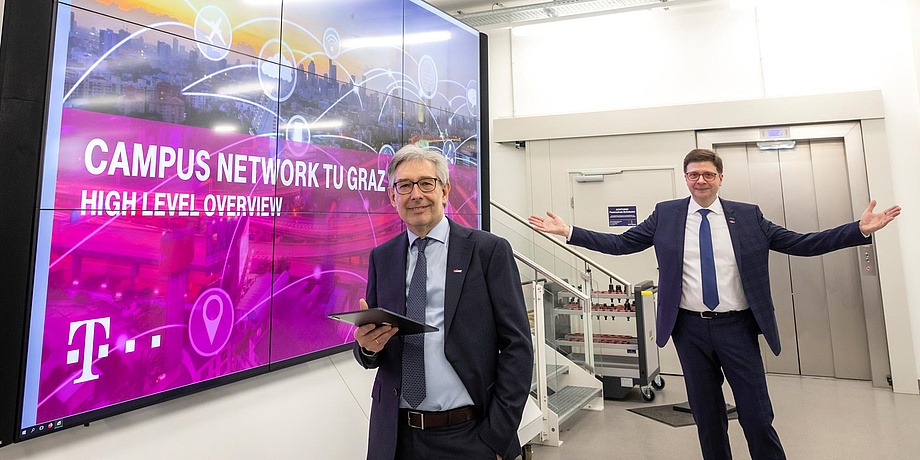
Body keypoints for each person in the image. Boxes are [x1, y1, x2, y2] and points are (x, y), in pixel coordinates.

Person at [528, 148, 900, 460]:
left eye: (707, 174)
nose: (700, 181)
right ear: (685, 179)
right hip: (688, 330)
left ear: (720, 178)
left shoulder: (748, 216)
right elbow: (622, 243)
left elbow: (800, 243)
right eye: (693, 175)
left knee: (756, 414)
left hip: (736, 327)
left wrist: (858, 230)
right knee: (707, 417)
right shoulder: (667, 214)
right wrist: (569, 232)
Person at [353, 145, 534, 460]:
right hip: (395, 438)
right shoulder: (382, 258)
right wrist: (367, 346)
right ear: (392, 197)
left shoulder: (487, 252)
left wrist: (497, 436)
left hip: (469, 436)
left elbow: (517, 347)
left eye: (426, 183)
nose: (416, 194)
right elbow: (372, 348)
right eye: (404, 186)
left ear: (445, 190)